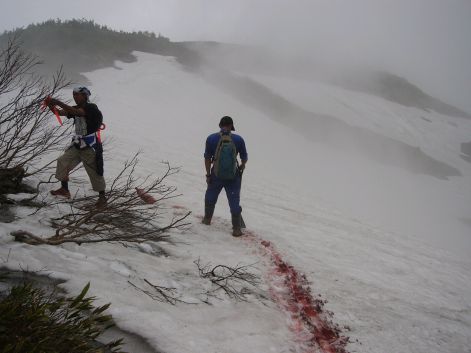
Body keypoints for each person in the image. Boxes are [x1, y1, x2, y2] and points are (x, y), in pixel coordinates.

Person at [47, 86, 106, 206]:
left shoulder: (91, 108)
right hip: (78, 143)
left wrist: (57, 102)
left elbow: (76, 112)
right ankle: (64, 190)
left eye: (77, 94)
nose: (74, 97)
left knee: (94, 171)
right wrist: (50, 105)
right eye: (73, 94)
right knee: (63, 161)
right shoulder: (77, 108)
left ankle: (102, 198)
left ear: (85, 96)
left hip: (90, 145)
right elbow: (59, 112)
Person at [203, 116, 248, 236]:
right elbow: (244, 158)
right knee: (234, 201)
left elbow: (207, 158)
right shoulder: (238, 139)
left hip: (216, 175)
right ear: (231, 126)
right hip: (233, 177)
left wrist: (208, 174)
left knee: (210, 196)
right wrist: (242, 166)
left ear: (220, 125)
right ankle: (236, 229)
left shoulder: (211, 138)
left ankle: (207, 219)